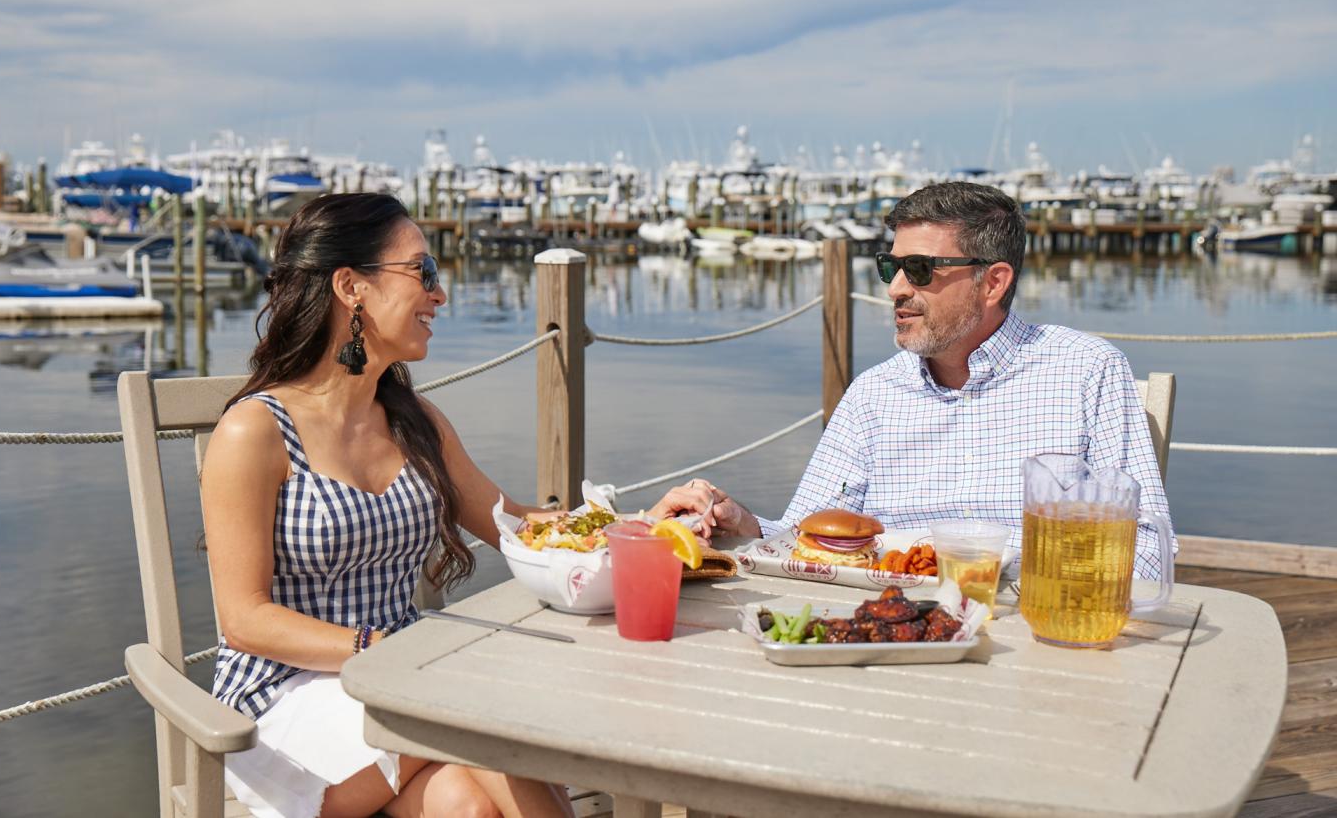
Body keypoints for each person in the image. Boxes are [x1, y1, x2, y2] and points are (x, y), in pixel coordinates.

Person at [200, 193, 574, 818]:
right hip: (284, 698)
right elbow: (246, 621)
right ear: (351, 287)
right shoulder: (254, 432)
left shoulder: (415, 423)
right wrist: (380, 650)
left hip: (400, 682)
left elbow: (517, 525)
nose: (440, 294)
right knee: (485, 730)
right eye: (423, 272)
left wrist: (639, 525)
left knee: (467, 803)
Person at [654, 181, 1175, 578]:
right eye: (892, 267)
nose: (896, 289)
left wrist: (972, 565)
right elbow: (804, 537)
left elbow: (1147, 552)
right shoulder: (874, 394)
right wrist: (740, 523)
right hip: (888, 631)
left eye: (920, 269)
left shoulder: (1085, 370)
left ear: (993, 282)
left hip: (1031, 630)